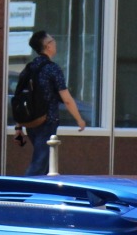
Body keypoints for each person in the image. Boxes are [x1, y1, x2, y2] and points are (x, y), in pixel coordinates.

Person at [19, 31, 87, 177]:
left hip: (31, 122)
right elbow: (67, 99)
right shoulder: (52, 69)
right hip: (47, 121)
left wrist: (19, 124)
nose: (55, 42)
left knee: (45, 165)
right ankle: (21, 194)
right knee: (39, 163)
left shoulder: (30, 67)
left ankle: (39, 196)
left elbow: (20, 95)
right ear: (47, 46)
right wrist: (79, 119)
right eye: (52, 40)